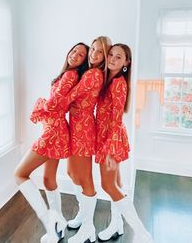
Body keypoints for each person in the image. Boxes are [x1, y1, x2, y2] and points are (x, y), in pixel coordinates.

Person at [14, 42, 89, 243]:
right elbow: (60, 103)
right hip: (55, 129)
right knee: (49, 179)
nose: (75, 55)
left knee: (19, 174)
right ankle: (59, 225)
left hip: (54, 132)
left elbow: (55, 103)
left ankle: (49, 221)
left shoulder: (70, 75)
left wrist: (42, 104)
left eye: (81, 55)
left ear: (83, 61)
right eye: (74, 51)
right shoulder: (70, 74)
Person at [54, 36, 112, 243]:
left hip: (84, 129)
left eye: (99, 52)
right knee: (71, 172)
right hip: (76, 126)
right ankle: (83, 213)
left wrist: (51, 105)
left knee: (85, 178)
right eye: (93, 49)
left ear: (105, 57)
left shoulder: (94, 74)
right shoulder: (88, 72)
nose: (94, 54)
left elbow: (71, 96)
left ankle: (88, 227)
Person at [95, 43, 153, 243]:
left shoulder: (119, 83)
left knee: (108, 185)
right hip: (105, 136)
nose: (112, 58)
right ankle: (116, 225)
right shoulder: (106, 79)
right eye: (111, 54)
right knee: (116, 184)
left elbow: (116, 118)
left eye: (118, 57)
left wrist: (110, 147)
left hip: (111, 138)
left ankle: (142, 233)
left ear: (126, 62)